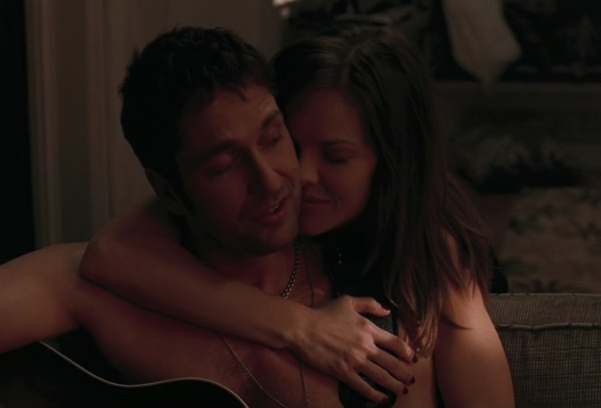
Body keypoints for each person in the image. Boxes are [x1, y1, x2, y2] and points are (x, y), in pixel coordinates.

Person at [80, 23, 515, 407]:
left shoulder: (433, 254)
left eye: (335, 156)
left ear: (391, 165)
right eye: (288, 140)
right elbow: (109, 252)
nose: (292, 178)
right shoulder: (218, 214)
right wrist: (301, 326)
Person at [0, 26, 409, 408]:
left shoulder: (377, 289)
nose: (269, 182)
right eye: (223, 166)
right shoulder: (102, 284)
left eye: (273, 138)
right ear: (168, 192)